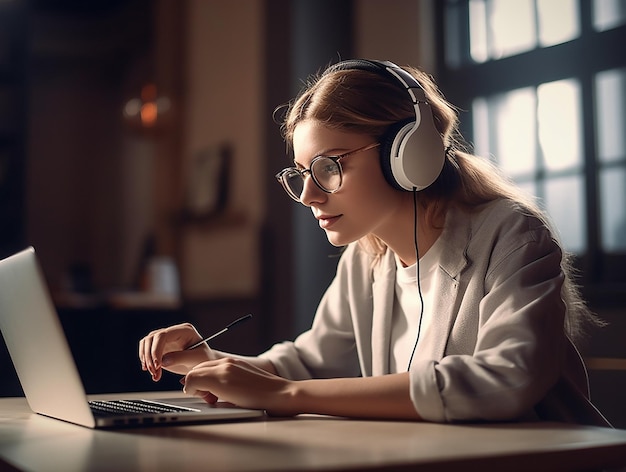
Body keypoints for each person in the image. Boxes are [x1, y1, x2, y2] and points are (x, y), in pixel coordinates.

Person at [139, 59, 609, 425]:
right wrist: (211, 361)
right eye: (302, 173)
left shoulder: (511, 233)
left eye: (329, 167)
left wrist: (285, 396)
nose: (307, 195)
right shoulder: (366, 257)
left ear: (408, 154)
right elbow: (311, 364)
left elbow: (508, 379)